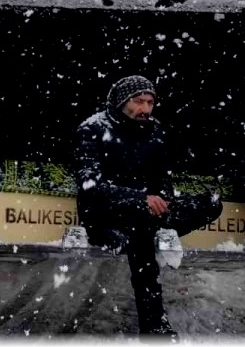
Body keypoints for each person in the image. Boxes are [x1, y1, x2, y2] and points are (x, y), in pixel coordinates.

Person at [74, 75, 222, 336]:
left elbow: (160, 178)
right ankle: (154, 324)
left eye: (150, 102)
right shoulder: (93, 128)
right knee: (141, 227)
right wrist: (139, 198)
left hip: (144, 209)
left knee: (210, 203)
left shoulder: (154, 130)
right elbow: (90, 185)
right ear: (122, 102)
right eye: (138, 102)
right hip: (105, 210)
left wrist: (161, 200)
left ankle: (156, 226)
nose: (145, 109)